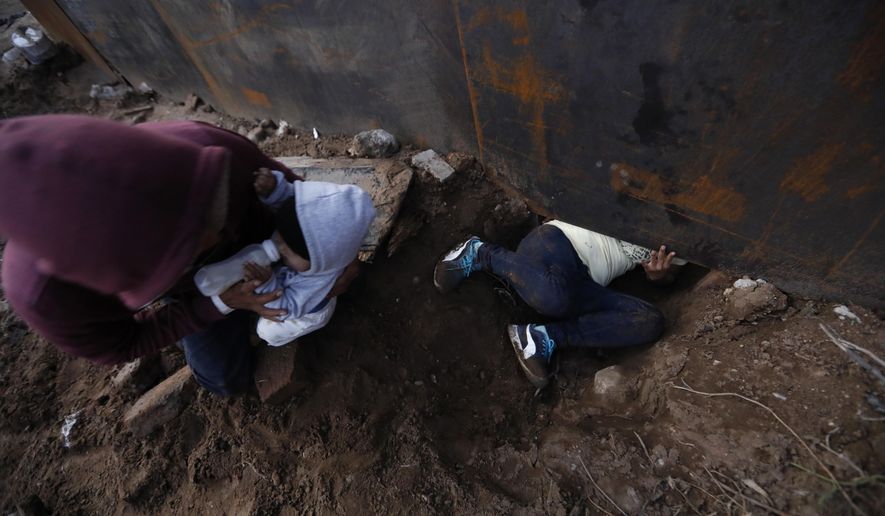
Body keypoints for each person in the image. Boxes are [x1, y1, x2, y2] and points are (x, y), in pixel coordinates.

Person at [0, 115, 357, 396]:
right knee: (224, 380)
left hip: (263, 236)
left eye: (206, 211)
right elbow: (122, 344)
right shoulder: (49, 298)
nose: (213, 237)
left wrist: (337, 249)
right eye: (181, 250)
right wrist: (217, 305)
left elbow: (300, 199)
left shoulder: (205, 150)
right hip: (194, 294)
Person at [433, 220, 685, 388]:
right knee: (555, 296)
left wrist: (657, 276)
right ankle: (480, 253)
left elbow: (671, 277)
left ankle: (540, 337)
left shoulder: (693, 228)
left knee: (651, 321)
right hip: (557, 243)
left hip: (586, 285)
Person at [224, 168, 374, 346]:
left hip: (304, 309)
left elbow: (286, 308)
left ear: (319, 264)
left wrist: (267, 285)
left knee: (267, 330)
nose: (279, 249)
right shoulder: (305, 232)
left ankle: (276, 338)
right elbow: (293, 205)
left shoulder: (316, 282)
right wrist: (275, 190)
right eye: (279, 238)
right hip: (298, 283)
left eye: (288, 252)